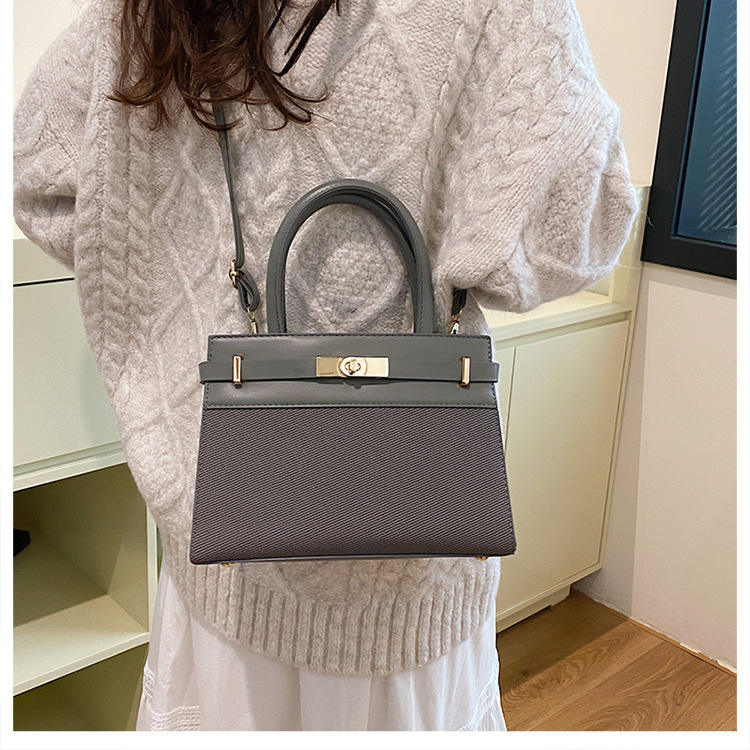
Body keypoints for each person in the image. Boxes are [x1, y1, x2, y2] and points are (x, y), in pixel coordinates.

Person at [13, 0, 637, 731]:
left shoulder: (147, 13)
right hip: (408, 586)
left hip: (223, 551)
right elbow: (582, 227)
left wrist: (172, 283)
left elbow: (41, 171)